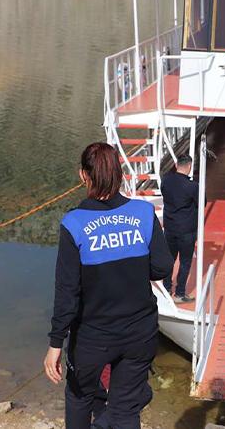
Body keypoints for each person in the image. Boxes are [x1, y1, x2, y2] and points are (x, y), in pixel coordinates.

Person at [44, 142, 174, 429]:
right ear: (120, 174)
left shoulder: (74, 224)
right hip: (140, 332)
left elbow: (67, 291)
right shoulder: (143, 213)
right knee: (126, 408)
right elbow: (162, 268)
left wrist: (56, 343)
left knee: (80, 396)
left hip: (93, 336)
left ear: (83, 176)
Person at [160, 154, 198, 303]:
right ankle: (180, 293)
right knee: (185, 261)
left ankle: (166, 288)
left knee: (169, 259)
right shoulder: (192, 186)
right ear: (189, 167)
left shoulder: (166, 180)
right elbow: (202, 202)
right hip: (186, 230)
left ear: (176, 165)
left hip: (169, 228)